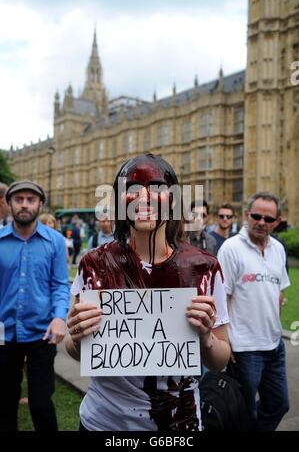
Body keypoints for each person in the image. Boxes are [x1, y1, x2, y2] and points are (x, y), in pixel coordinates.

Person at [65, 154, 230, 431]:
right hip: (103, 424)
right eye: (131, 190)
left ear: (174, 200)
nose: (144, 199)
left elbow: (220, 360)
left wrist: (205, 337)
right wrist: (77, 335)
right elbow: (76, 350)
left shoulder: (204, 267)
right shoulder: (93, 264)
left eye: (156, 189)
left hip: (179, 424)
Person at [0, 180, 70, 431]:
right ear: (9, 204)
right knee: (5, 402)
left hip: (42, 332)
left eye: (31, 200)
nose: (24, 205)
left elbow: (60, 285)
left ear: (40, 204)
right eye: (18, 200)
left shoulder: (55, 241)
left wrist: (60, 317)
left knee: (41, 404)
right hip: (4, 334)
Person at [217, 191, 290, 431]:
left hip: (274, 345)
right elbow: (221, 299)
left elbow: (280, 290)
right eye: (256, 216)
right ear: (247, 215)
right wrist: (225, 343)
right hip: (245, 349)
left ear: (277, 222)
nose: (261, 222)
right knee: (244, 409)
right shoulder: (231, 249)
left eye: (268, 219)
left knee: (279, 405)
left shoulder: (278, 249)